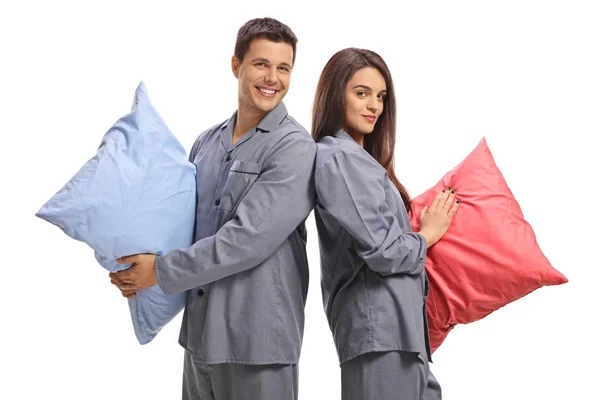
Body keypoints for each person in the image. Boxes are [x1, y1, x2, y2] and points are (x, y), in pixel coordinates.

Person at [109, 17, 316, 400]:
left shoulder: (294, 148)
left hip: (258, 347)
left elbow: (247, 239)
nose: (272, 78)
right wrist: (132, 262)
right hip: (201, 339)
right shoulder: (206, 142)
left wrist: (159, 271)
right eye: (261, 64)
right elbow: (179, 224)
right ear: (236, 65)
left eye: (283, 68)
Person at [311, 47, 460, 399]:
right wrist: (428, 235)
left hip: (404, 334)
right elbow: (382, 251)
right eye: (361, 93)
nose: (374, 106)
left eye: (380, 96)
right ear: (336, 95)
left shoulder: (363, 161)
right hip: (378, 333)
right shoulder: (337, 157)